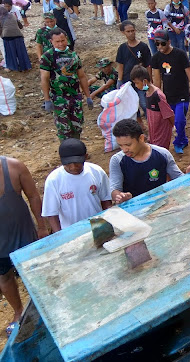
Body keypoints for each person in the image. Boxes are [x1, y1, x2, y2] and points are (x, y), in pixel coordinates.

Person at [0, 156, 47, 335]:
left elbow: (34, 196)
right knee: (4, 276)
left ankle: (45, 307)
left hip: (23, 235)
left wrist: (41, 226)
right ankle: (19, 311)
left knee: (34, 272)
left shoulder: (14, 166)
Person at [109, 118, 190, 203]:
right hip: (133, 210)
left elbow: (178, 178)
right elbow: (114, 189)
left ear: (141, 138)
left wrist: (188, 175)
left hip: (161, 205)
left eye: (128, 145)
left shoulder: (162, 154)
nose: (124, 150)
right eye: (120, 145)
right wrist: (120, 196)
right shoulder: (117, 160)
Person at [42, 139, 111, 232]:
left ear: (85, 157)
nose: (73, 167)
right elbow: (51, 214)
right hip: (71, 232)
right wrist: (60, 237)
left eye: (77, 162)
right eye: (68, 163)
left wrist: (109, 222)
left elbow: (106, 200)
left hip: (98, 227)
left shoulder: (97, 172)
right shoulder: (53, 180)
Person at [150, 30, 190, 154]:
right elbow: (157, 79)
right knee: (171, 122)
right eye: (157, 44)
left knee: (179, 120)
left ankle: (179, 142)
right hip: (168, 96)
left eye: (162, 44)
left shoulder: (180, 54)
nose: (160, 47)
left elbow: (189, 73)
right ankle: (183, 139)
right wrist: (157, 96)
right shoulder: (156, 58)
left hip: (182, 94)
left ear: (169, 42)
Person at [40, 28, 92, 141]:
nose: (61, 44)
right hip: (59, 98)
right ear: (51, 42)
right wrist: (47, 100)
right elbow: (44, 79)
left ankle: (77, 150)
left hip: (75, 96)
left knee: (77, 125)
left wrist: (88, 96)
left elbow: (81, 76)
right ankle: (67, 152)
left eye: (63, 40)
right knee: (64, 128)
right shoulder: (47, 57)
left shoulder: (73, 55)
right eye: (57, 41)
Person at [115, 20, 153, 128]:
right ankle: (140, 124)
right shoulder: (122, 48)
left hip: (142, 81)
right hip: (127, 82)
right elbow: (121, 65)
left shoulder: (143, 47)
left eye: (132, 30)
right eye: (128, 31)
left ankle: (151, 123)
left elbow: (148, 65)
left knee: (145, 104)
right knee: (131, 105)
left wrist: (149, 81)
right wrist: (119, 80)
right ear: (123, 32)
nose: (131, 33)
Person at [131, 64, 174, 150]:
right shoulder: (147, 93)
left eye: (137, 83)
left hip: (162, 131)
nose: (136, 86)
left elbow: (169, 114)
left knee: (160, 152)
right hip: (154, 131)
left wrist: (172, 126)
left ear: (145, 81)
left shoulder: (157, 95)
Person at [0, 6, 30, 72]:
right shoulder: (12, 15)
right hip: (18, 36)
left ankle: (11, 67)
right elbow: (20, 26)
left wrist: (2, 35)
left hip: (7, 37)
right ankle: (25, 66)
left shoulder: (0, 18)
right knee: (21, 52)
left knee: (10, 53)